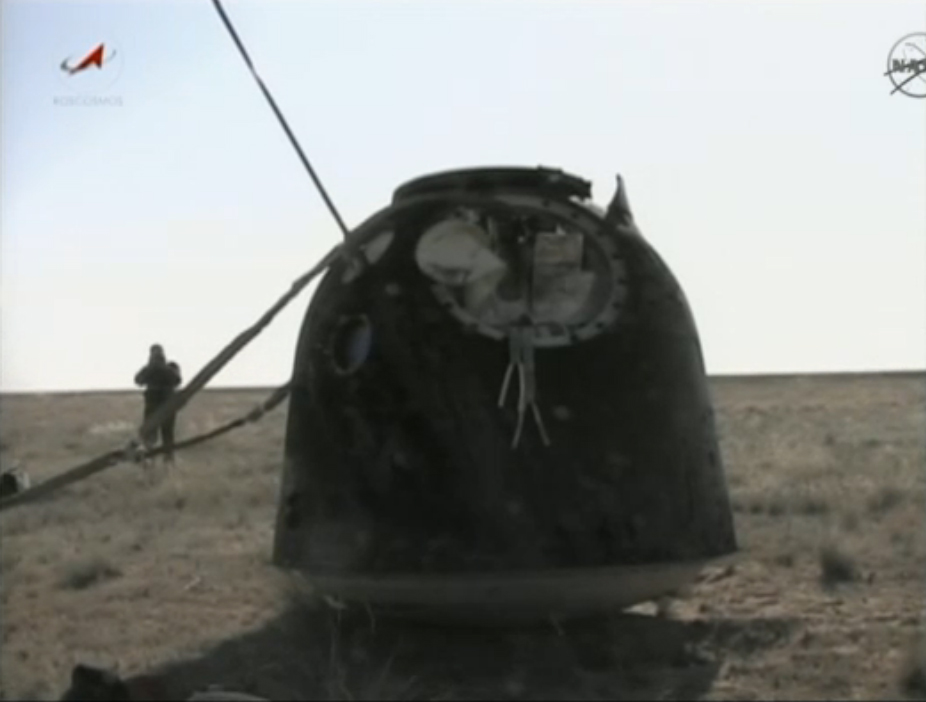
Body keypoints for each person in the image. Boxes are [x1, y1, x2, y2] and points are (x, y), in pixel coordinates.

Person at [134, 344, 182, 464]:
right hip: (168, 407)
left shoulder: (148, 369)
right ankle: (169, 461)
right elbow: (177, 380)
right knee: (167, 435)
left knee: (150, 436)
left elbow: (138, 380)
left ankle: (149, 461)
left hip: (152, 407)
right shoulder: (169, 369)